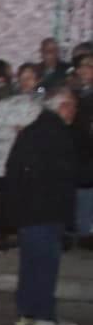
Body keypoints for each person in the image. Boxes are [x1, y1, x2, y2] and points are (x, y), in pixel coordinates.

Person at [4, 88, 79, 325]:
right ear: (63, 106)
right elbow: (68, 174)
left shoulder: (30, 131)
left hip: (27, 210)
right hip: (48, 209)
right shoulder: (59, 133)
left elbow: (13, 169)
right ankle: (45, 316)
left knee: (30, 264)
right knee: (46, 264)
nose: (74, 113)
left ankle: (25, 312)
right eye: (73, 107)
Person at [0, 63, 44, 248]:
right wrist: (14, 130)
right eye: (22, 77)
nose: (26, 82)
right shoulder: (6, 103)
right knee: (3, 199)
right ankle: (0, 235)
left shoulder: (43, 105)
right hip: (5, 158)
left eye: (30, 78)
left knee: (27, 200)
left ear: (38, 80)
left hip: (31, 161)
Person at [72, 53, 93, 246]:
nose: (85, 70)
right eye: (82, 66)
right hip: (77, 148)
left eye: (89, 66)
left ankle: (86, 231)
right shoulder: (75, 93)